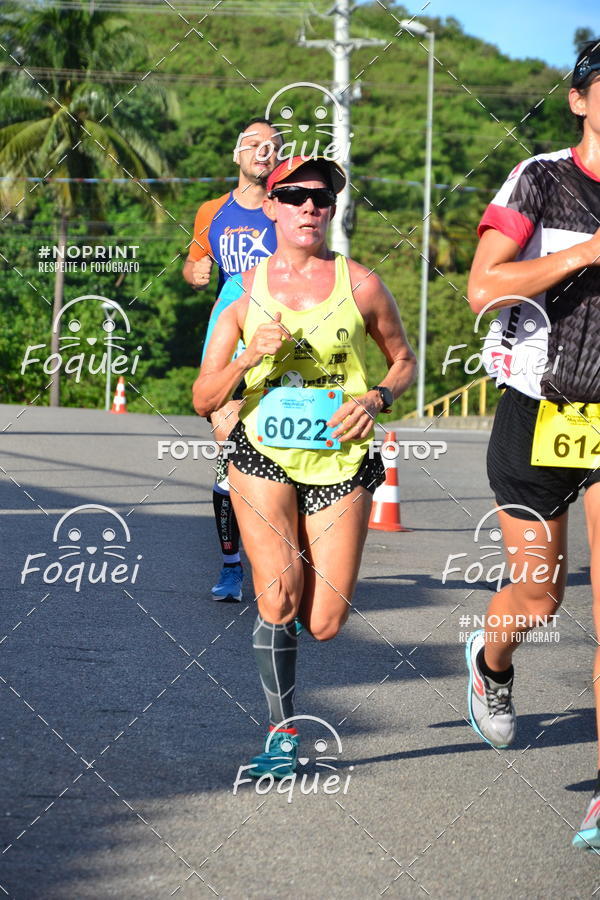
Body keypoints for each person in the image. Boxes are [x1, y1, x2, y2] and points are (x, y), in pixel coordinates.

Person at [193, 155, 416, 777]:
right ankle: (281, 732)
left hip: (340, 461)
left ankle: (302, 582)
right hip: (261, 454)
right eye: (294, 195)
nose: (309, 207)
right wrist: (244, 361)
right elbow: (203, 396)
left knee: (323, 620)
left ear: (334, 208)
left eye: (322, 197)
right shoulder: (243, 290)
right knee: (279, 596)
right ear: (272, 206)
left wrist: (376, 398)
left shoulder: (362, 284)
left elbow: (402, 360)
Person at [464, 40, 600, 850]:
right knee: (540, 596)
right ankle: (492, 662)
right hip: (542, 408)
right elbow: (484, 287)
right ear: (581, 99)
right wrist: (584, 251)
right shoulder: (539, 178)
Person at [183, 117, 281, 603]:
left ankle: (284, 570)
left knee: (284, 459)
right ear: (236, 154)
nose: (263, 151)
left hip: (281, 338)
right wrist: (195, 270)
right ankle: (231, 567)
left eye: (273, 145)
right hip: (227, 335)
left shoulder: (288, 206)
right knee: (229, 457)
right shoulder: (211, 211)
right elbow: (193, 260)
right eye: (254, 144)